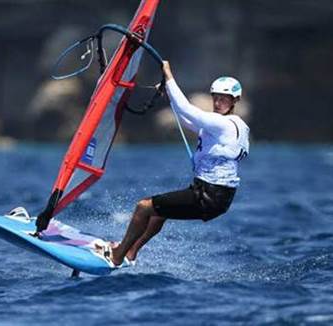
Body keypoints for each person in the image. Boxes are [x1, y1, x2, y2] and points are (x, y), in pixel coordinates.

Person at [99, 61, 250, 266]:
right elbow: (187, 119)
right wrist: (169, 96)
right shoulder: (235, 126)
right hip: (218, 197)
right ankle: (131, 252)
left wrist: (168, 74)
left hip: (208, 195)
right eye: (215, 98)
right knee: (159, 213)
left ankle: (117, 255)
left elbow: (186, 109)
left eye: (224, 99)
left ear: (235, 100)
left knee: (143, 207)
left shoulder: (222, 124)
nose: (218, 103)